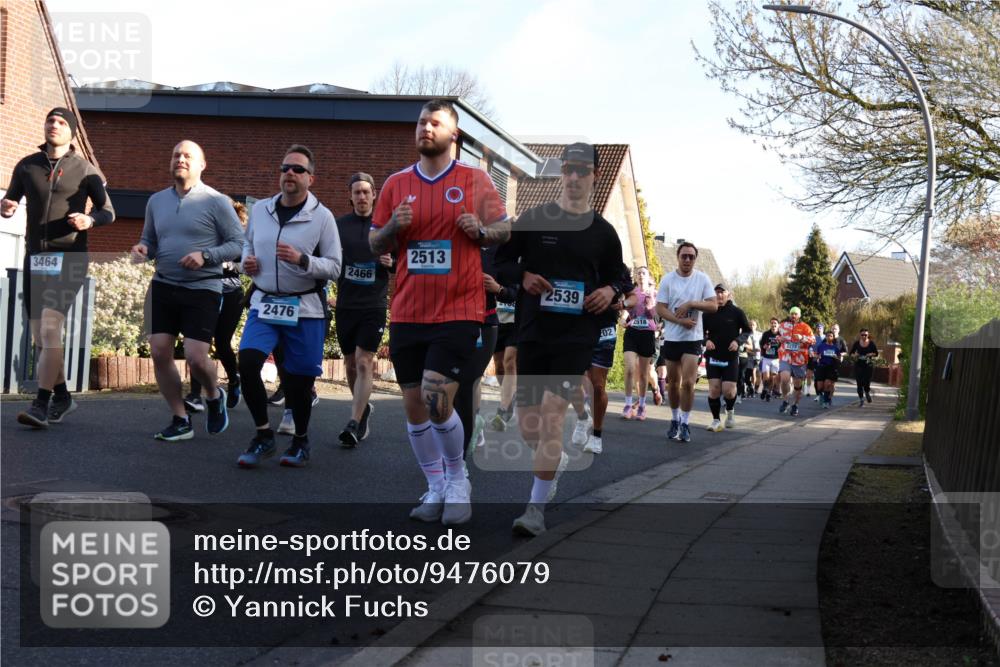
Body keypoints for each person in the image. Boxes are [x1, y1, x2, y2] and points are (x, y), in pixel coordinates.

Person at [369, 99, 510, 526]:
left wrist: (481, 232)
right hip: (409, 310)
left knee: (435, 396)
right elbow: (376, 243)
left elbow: (505, 228)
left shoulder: (474, 180)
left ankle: (458, 479)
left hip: (459, 309)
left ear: (455, 135)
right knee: (414, 406)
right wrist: (394, 226)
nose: (425, 128)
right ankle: (435, 485)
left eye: (435, 123)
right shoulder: (396, 184)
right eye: (421, 123)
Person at [495, 142, 628, 536]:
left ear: (594, 177)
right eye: (567, 169)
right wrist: (523, 277)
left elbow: (619, 275)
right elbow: (500, 262)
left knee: (553, 415)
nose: (573, 177)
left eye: (581, 170)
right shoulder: (535, 219)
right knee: (530, 428)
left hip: (576, 337)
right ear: (561, 174)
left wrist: (610, 293)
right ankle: (550, 465)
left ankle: (534, 511)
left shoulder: (604, 233)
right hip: (534, 332)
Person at [4, 108, 115, 428]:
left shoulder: (84, 169)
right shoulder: (27, 165)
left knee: (49, 329)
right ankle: (63, 395)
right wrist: (6, 207)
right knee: (41, 336)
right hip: (34, 258)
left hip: (69, 258)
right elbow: (10, 201)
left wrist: (89, 219)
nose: (54, 125)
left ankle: (41, 403)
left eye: (62, 122)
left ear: (73, 133)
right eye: (51, 121)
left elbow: (109, 212)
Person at [236, 145, 342, 468]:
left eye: (297, 169)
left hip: (305, 307)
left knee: (298, 379)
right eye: (285, 168)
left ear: (311, 178)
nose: (289, 174)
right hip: (265, 302)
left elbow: (335, 267)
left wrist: (303, 260)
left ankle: (300, 441)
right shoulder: (261, 210)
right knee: (248, 361)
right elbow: (247, 245)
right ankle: (263, 434)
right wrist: (246, 263)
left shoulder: (322, 217)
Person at [130, 140, 244, 440]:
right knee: (159, 351)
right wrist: (143, 250)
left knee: (195, 357)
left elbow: (238, 244)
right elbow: (150, 240)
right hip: (163, 284)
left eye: (187, 156)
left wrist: (205, 256)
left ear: (202, 165)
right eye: (176, 154)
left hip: (202, 287)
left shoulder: (217, 202)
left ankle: (213, 392)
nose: (180, 159)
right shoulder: (156, 201)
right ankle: (180, 419)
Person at [334, 172, 393, 447]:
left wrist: (391, 261)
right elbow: (327, 257)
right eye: (356, 192)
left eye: (365, 192)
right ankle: (364, 406)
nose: (361, 197)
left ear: (374, 195)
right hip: (347, 304)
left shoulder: (385, 226)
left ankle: (354, 422)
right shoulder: (339, 225)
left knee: (363, 360)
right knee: (349, 364)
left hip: (374, 304)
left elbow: (402, 259)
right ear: (350, 196)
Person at [184, 199, 248, 413]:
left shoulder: (239, 235)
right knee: (198, 342)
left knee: (222, 343)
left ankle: (234, 380)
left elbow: (247, 264)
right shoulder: (205, 233)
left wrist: (228, 263)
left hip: (231, 293)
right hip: (206, 291)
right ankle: (194, 394)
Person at [655, 242, 718, 443]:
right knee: (673, 383)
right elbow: (660, 308)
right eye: (684, 256)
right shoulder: (668, 280)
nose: (687, 260)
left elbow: (714, 305)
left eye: (691, 257)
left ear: (695, 259)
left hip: (693, 338)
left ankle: (685, 423)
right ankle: (674, 419)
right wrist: (679, 320)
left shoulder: (702, 279)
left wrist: (691, 303)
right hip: (673, 337)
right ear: (678, 257)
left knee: (689, 383)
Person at [570, 264, 634, 455]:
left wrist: (624, 304)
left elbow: (633, 296)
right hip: (578, 328)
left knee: (598, 386)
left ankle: (596, 436)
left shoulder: (618, 267)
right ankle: (582, 418)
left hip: (604, 330)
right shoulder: (578, 258)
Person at [702, 284, 751, 431]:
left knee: (729, 391)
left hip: (730, 357)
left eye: (722, 292)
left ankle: (730, 412)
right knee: (714, 389)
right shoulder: (708, 313)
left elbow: (747, 331)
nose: (719, 295)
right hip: (713, 357)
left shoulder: (737, 312)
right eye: (716, 292)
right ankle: (716, 420)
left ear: (728, 294)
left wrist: (738, 341)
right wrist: (706, 341)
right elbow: (700, 333)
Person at [621, 266, 658, 421]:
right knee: (629, 369)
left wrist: (651, 306)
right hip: (632, 333)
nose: (641, 275)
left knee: (643, 374)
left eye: (644, 273)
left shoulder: (655, 294)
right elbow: (626, 310)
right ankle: (628, 404)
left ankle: (642, 405)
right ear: (635, 277)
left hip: (647, 334)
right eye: (638, 273)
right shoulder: (632, 293)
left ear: (648, 276)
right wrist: (622, 318)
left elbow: (656, 315)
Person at [489, 277, 519, 432]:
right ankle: (509, 399)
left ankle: (503, 409)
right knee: (500, 367)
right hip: (497, 318)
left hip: (518, 320)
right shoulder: (492, 256)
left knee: (510, 361)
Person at [776, 306, 815, 417]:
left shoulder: (805, 327)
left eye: (796, 314)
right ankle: (786, 400)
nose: (793, 316)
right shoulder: (783, 325)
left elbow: (813, 340)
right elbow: (777, 336)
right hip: (785, 357)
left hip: (800, 360)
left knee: (798, 386)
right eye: (792, 313)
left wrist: (802, 338)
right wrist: (780, 339)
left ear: (799, 315)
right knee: (784, 379)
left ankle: (795, 405)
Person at [813, 329, 844, 408]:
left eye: (831, 336)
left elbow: (839, 358)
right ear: (826, 337)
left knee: (827, 384)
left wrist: (836, 357)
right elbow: (816, 355)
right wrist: (817, 356)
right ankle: (821, 395)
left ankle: (826, 401)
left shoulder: (835, 348)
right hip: (821, 366)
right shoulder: (821, 346)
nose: (829, 337)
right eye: (827, 336)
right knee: (820, 386)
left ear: (833, 337)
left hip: (831, 367)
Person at [850, 329, 879, 406]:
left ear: (868, 335)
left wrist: (870, 354)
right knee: (859, 383)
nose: (864, 336)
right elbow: (851, 353)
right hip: (858, 365)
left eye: (865, 335)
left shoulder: (871, 343)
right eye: (862, 335)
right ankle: (861, 400)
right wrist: (855, 355)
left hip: (868, 365)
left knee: (866, 382)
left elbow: (876, 353)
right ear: (860, 335)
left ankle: (867, 392)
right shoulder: (857, 343)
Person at [758, 317, 782, 401]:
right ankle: (765, 389)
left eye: (775, 323)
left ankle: (768, 392)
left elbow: (784, 345)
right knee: (766, 377)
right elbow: (762, 344)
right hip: (766, 358)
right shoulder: (766, 334)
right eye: (772, 323)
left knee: (773, 378)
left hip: (776, 359)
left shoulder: (781, 334)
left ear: (778, 325)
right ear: (770, 324)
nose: (773, 325)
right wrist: (765, 347)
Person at [806, 322, 825, 398]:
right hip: (812, 358)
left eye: (820, 328)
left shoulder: (825, 338)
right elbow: (808, 346)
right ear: (816, 329)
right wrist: (810, 351)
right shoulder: (812, 337)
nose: (819, 329)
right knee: (809, 375)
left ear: (823, 329)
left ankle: (820, 392)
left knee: (819, 377)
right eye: (818, 328)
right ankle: (807, 391)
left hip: (821, 359)